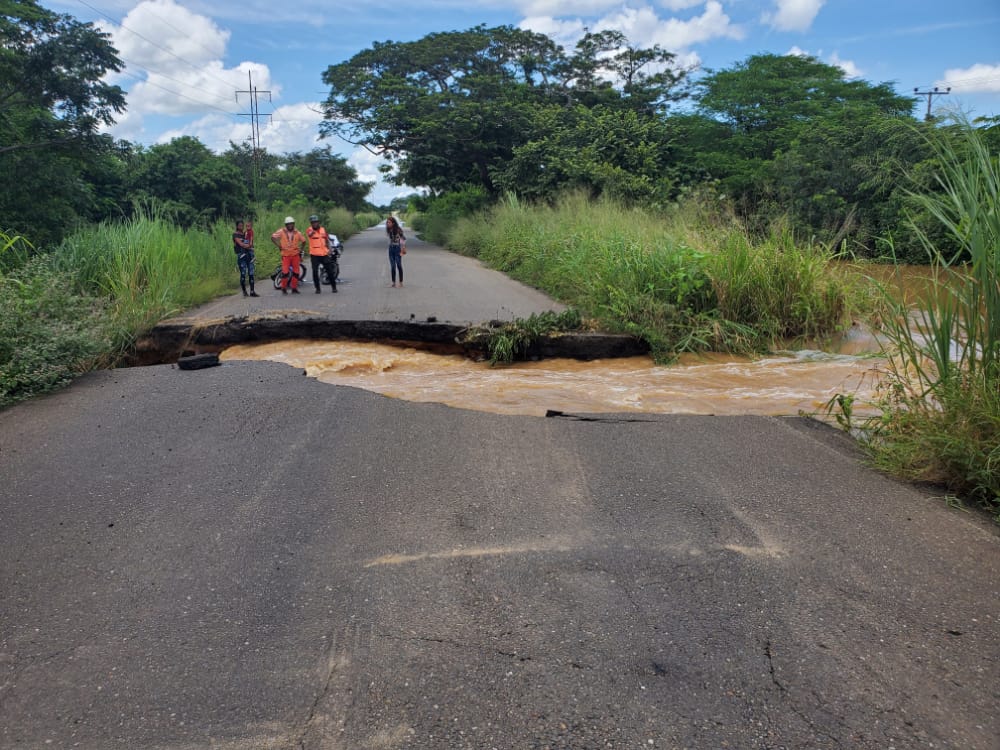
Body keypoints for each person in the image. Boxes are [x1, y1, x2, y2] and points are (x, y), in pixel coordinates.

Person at [270, 216, 305, 294]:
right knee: (285, 272)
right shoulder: (281, 232)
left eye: (291, 224)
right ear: (286, 225)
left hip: (295, 255)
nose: (290, 226)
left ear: (294, 224)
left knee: (296, 273)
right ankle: (283, 288)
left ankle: (294, 288)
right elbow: (272, 237)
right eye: (288, 224)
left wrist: (301, 250)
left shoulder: (297, 233)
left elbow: (304, 241)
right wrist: (278, 245)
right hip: (286, 256)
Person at [305, 214, 337, 293]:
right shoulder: (309, 230)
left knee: (329, 271)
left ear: (318, 222)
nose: (314, 224)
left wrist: (329, 249)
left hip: (324, 254)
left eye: (316, 222)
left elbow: (327, 240)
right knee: (315, 272)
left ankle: (334, 287)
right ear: (311, 223)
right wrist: (313, 230)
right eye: (313, 222)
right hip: (314, 255)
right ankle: (317, 289)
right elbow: (309, 234)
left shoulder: (323, 229)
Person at [233, 220, 258, 297]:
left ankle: (252, 291)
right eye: (239, 225)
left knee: (251, 273)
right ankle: (244, 291)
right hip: (241, 256)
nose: (241, 227)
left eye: (242, 225)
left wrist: (251, 247)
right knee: (243, 274)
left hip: (249, 255)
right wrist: (250, 247)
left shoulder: (246, 233)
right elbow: (241, 244)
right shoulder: (235, 234)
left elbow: (251, 241)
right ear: (237, 226)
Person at [385, 215, 406, 288]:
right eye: (387, 222)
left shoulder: (398, 229)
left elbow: (403, 238)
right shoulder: (388, 230)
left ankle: (401, 282)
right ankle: (393, 282)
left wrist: (403, 248)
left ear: (393, 223)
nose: (388, 224)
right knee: (393, 266)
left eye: (389, 222)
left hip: (397, 249)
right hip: (391, 249)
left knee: (399, 265)